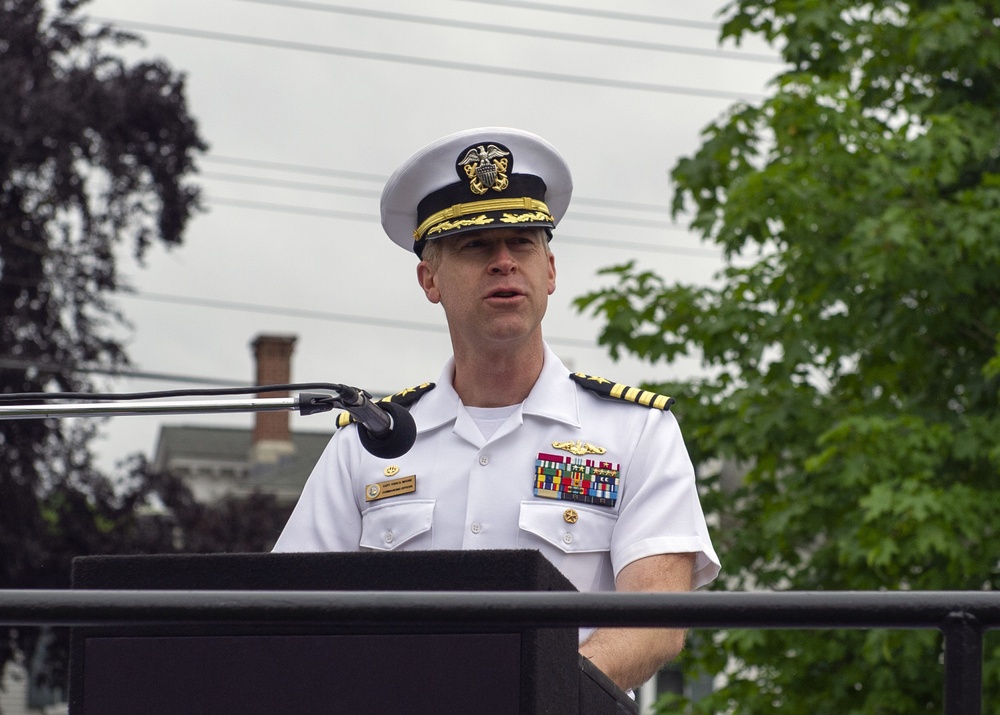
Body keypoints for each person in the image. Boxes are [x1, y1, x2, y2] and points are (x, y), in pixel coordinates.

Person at [273, 127, 720, 691]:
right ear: (428, 278)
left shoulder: (635, 431)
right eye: (476, 245)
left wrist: (542, 694)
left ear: (551, 271)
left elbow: (656, 620)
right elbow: (291, 614)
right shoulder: (368, 441)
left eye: (523, 243)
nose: (504, 262)